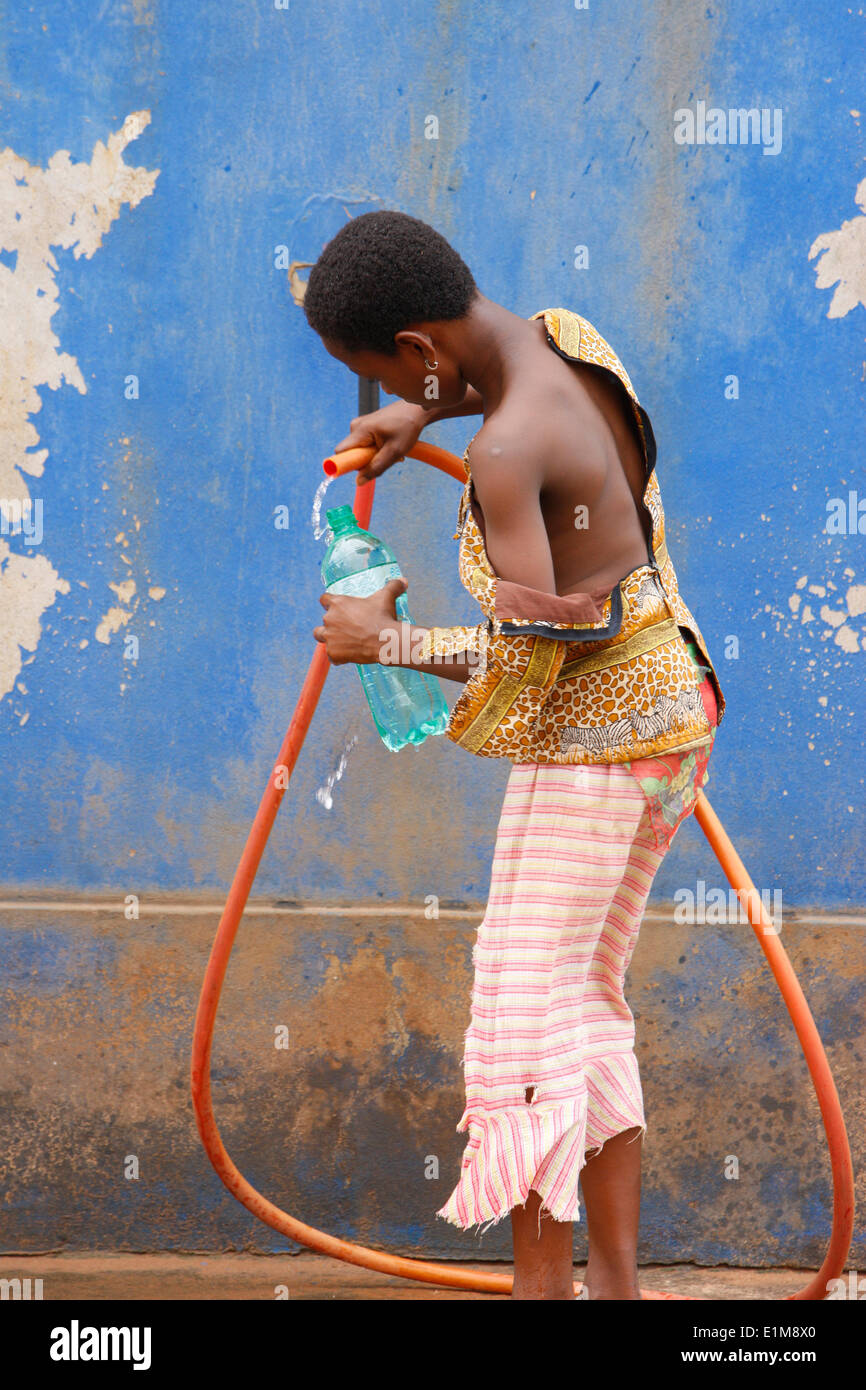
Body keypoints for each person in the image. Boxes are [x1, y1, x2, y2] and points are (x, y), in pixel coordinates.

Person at [305, 210, 725, 1300]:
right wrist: (409, 414)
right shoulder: (561, 336)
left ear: (421, 343)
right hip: (667, 721)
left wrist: (380, 639)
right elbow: (485, 388)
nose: (388, 396)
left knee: (520, 1026)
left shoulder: (499, 456)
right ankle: (619, 1291)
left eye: (379, 376)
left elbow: (547, 642)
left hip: (595, 738)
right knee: (584, 996)